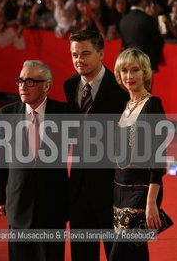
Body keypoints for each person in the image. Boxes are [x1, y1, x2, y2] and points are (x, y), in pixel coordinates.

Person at [0, 60, 69, 261]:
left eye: (30, 81)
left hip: (53, 204)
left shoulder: (66, 114)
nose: (22, 86)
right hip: (17, 202)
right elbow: (0, 159)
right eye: (20, 80)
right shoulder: (6, 114)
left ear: (46, 85)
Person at [64, 30, 128, 261]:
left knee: (117, 253)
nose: (78, 60)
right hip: (79, 187)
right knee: (82, 253)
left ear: (101, 53)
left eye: (85, 54)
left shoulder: (122, 89)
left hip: (113, 188)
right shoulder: (69, 85)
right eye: (74, 55)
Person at [110, 48, 166, 261]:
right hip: (119, 190)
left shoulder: (153, 105)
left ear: (145, 73)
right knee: (136, 254)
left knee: (119, 255)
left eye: (135, 70)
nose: (129, 76)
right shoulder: (125, 106)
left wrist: (151, 203)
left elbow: (158, 158)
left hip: (141, 193)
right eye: (124, 70)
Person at [120, 0, 164, 72]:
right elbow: (159, 42)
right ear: (142, 1)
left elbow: (124, 43)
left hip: (129, 62)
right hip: (146, 63)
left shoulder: (123, 21)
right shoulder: (148, 19)